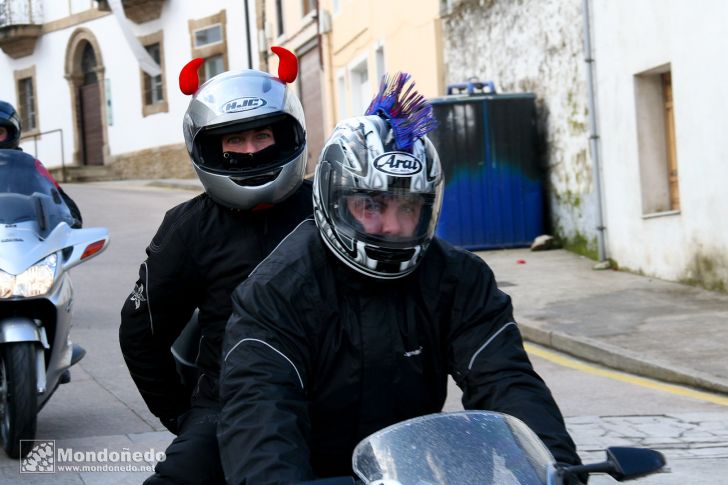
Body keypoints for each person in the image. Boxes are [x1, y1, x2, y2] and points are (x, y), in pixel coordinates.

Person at [218, 73, 583, 484]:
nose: (391, 225)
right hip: (310, 473)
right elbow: (261, 405)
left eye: (408, 207)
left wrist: (557, 466)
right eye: (371, 205)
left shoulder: (459, 278)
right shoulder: (276, 290)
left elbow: (505, 377)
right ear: (334, 199)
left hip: (412, 470)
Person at [119, 50, 311, 485]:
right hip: (229, 405)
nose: (249, 150)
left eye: (262, 136)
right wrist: (183, 417)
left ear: (287, 134)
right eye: (234, 141)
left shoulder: (330, 208)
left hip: (327, 397)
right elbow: (140, 331)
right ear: (208, 146)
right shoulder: (188, 227)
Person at [0, 99, 83, 227]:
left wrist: (70, 219)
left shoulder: (30, 165)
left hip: (28, 235)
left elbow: (60, 198)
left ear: (12, 133)